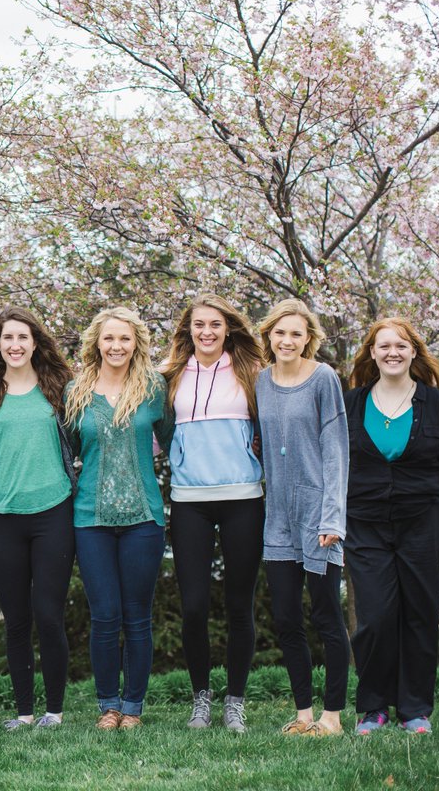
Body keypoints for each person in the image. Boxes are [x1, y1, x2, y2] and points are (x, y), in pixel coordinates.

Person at [344, 318, 439, 735]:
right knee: (376, 618)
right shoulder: (353, 403)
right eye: (384, 346)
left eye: (401, 345)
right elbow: (333, 465)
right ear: (372, 353)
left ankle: (415, 710)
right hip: (365, 527)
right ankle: (374, 707)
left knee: (419, 616)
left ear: (414, 351)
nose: (392, 352)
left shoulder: (437, 405)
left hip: (425, 527)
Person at [65, 307, 173, 731]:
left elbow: (170, 439)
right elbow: (71, 450)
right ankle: (108, 705)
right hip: (90, 518)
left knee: (137, 616)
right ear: (97, 342)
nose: (117, 346)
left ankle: (133, 708)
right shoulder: (77, 391)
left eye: (125, 339)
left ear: (136, 343)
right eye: (109, 339)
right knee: (105, 615)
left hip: (143, 518)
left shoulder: (152, 389)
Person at [160, 294, 264, 732]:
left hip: (243, 498)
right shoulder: (169, 376)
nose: (207, 332)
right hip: (189, 501)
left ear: (227, 329)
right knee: (195, 607)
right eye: (198, 325)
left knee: (240, 605)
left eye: (215, 325)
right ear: (188, 330)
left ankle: (234, 701)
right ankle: (201, 698)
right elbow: (159, 433)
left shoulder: (251, 374)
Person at [0, 306, 76, 730]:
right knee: (16, 621)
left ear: (35, 343)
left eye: (22, 338)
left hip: (53, 513)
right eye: (7, 339)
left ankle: (53, 712)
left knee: (48, 615)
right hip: (2, 518)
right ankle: (23, 712)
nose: (15, 346)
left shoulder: (59, 389)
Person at [255, 299, 350, 736]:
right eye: (280, 333)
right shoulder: (261, 382)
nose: (287, 340)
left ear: (308, 338)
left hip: (318, 516)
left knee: (327, 617)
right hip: (277, 517)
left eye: (296, 333)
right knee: (287, 618)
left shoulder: (324, 379)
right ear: (269, 337)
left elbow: (335, 451)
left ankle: (332, 716)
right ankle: (303, 715)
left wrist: (332, 517)